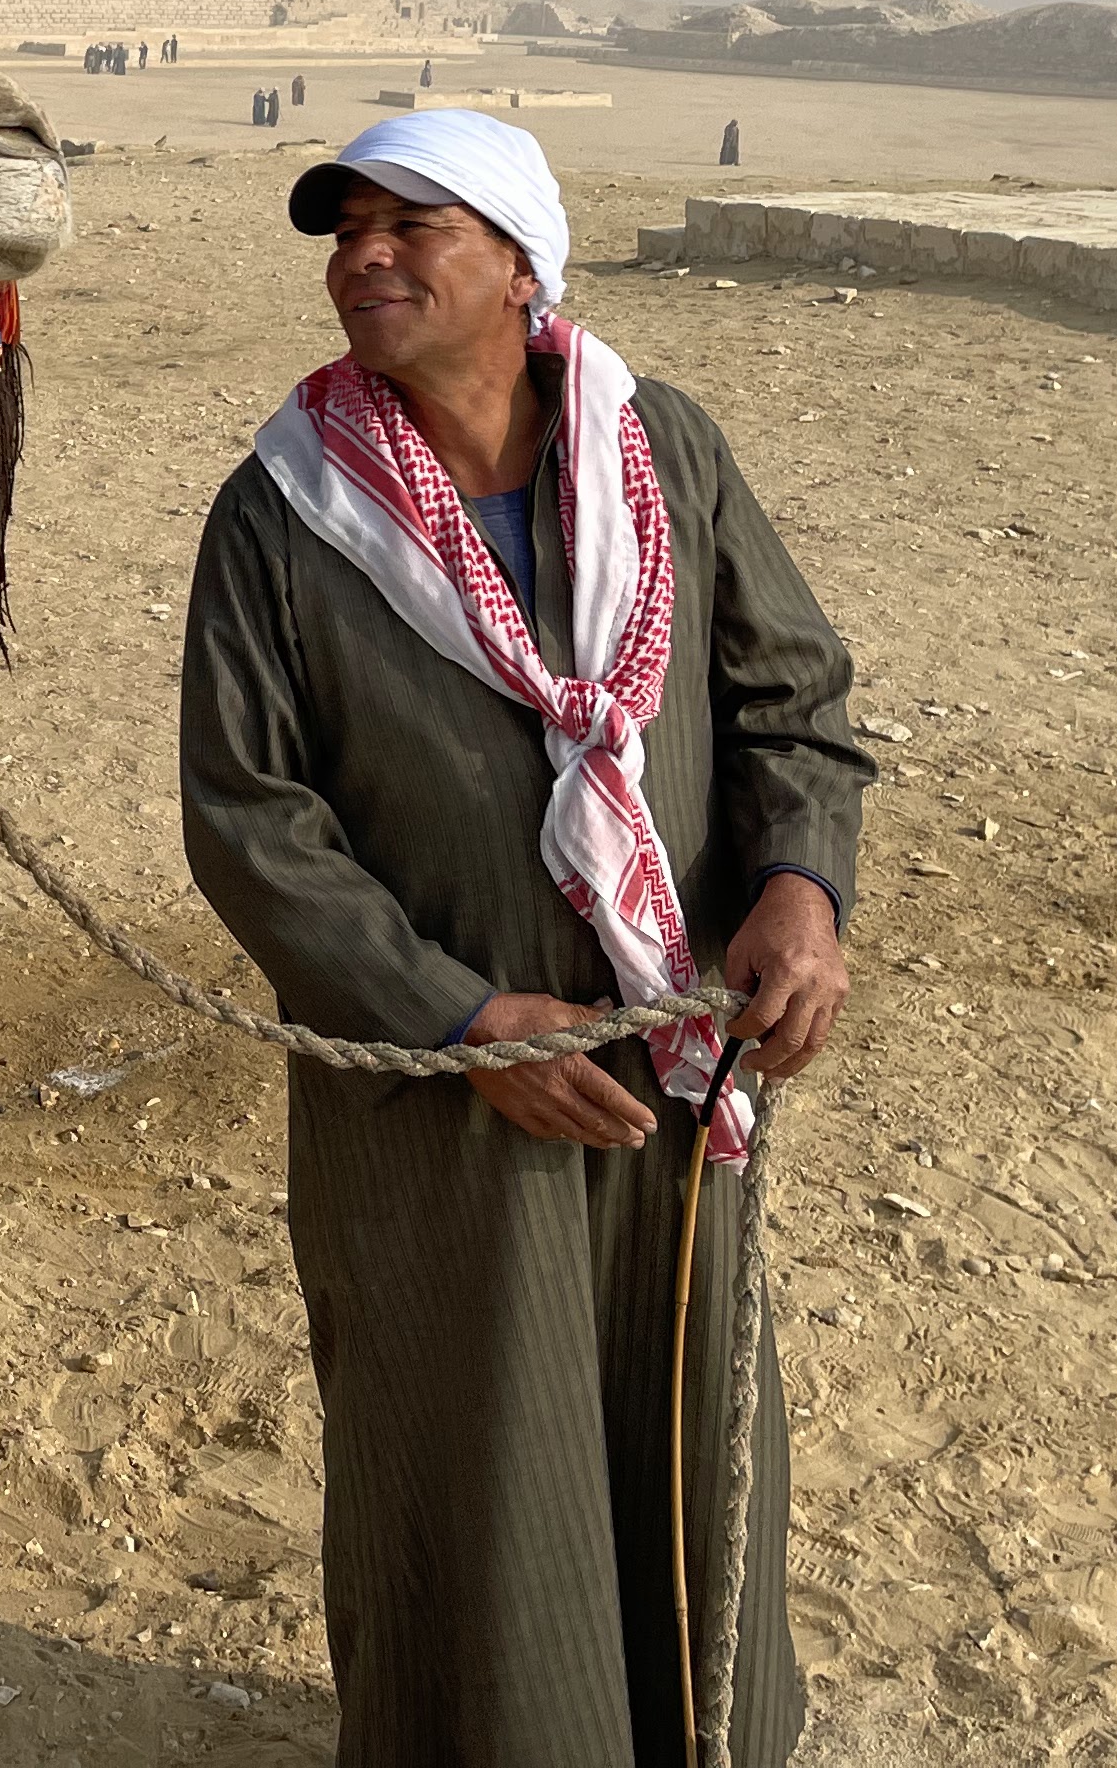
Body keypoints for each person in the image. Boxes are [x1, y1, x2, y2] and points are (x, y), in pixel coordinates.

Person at [178, 109, 868, 1768]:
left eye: (414, 227)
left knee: (685, 1420)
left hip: (675, 1074)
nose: (364, 260)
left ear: (519, 263)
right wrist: (460, 1019)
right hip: (437, 1100)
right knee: (469, 1447)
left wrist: (802, 890)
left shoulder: (664, 455)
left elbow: (792, 699)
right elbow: (251, 825)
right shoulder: (282, 510)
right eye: (348, 231)